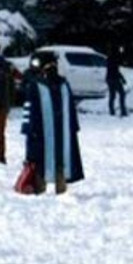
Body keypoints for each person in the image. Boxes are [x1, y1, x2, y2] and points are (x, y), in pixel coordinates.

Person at [20, 51, 84, 195]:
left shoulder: (37, 86)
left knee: (39, 158)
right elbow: (71, 112)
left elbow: (29, 111)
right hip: (62, 131)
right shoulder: (63, 84)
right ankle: (59, 188)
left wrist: (29, 130)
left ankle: (40, 187)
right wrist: (73, 128)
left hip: (40, 132)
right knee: (60, 157)